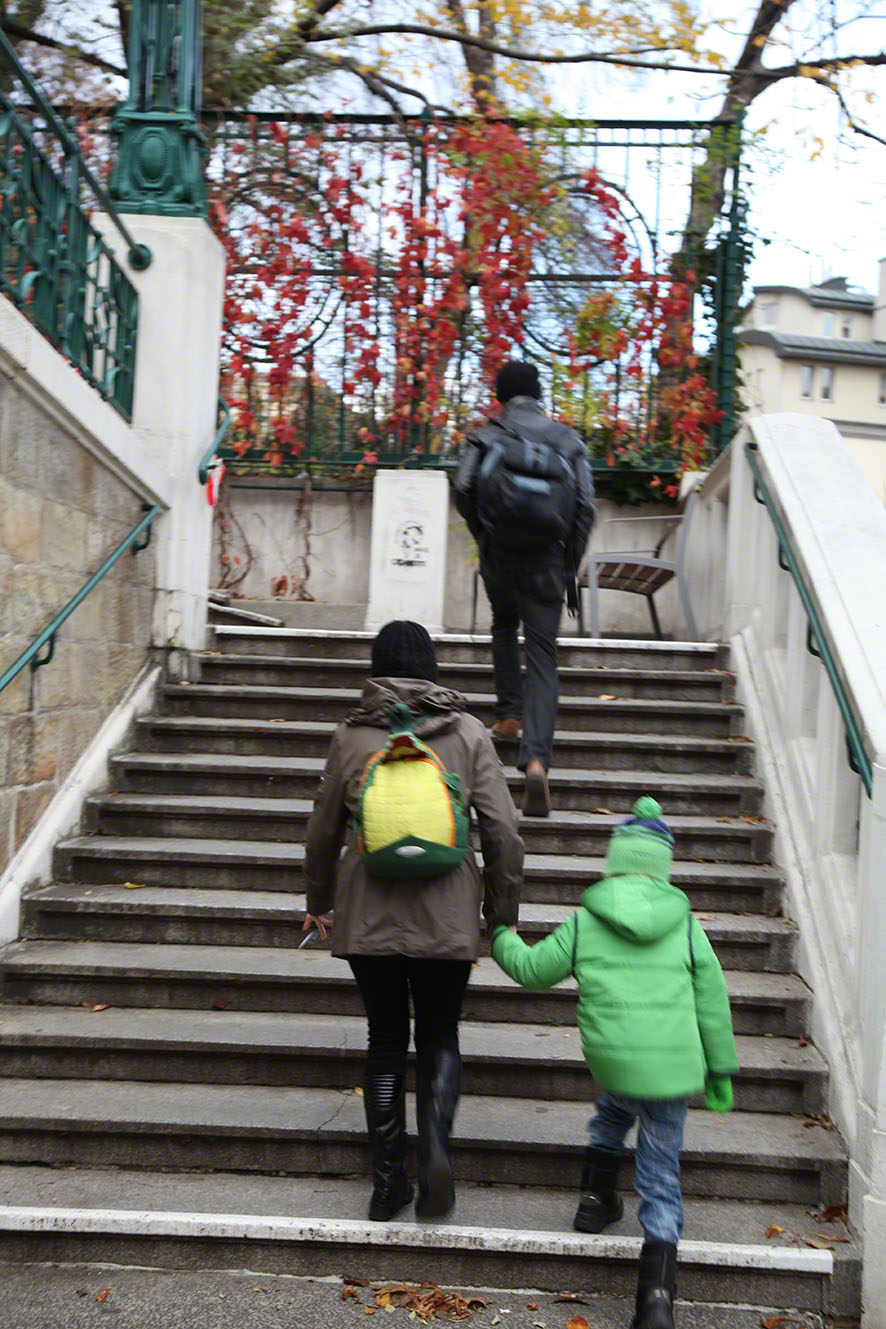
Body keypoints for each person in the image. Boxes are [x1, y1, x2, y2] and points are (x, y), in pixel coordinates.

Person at [302, 620, 524, 1223]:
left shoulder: (351, 736)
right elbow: (504, 830)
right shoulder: (469, 732)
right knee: (439, 1033)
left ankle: (387, 1182)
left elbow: (322, 829)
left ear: (376, 670)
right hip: (447, 912)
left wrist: (318, 898)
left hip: (367, 911)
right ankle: (434, 1152)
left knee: (384, 1038)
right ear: (432, 669)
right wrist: (501, 912)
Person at [490, 796, 738, 1329]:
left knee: (613, 1110)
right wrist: (719, 1069)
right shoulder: (686, 925)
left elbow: (533, 970)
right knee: (659, 1171)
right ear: (662, 866)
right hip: (671, 1069)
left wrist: (502, 937)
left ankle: (595, 1197)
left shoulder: (586, 921)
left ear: (615, 861)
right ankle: (656, 1300)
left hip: (616, 1062)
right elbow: (713, 1001)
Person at [454, 359, 595, 818]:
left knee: (502, 623)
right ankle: (536, 760)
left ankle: (509, 715)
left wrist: (485, 533)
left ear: (500, 396)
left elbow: (464, 487)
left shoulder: (487, 435)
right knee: (542, 653)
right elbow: (585, 506)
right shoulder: (567, 441)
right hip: (547, 559)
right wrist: (568, 560)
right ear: (538, 394)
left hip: (499, 553)